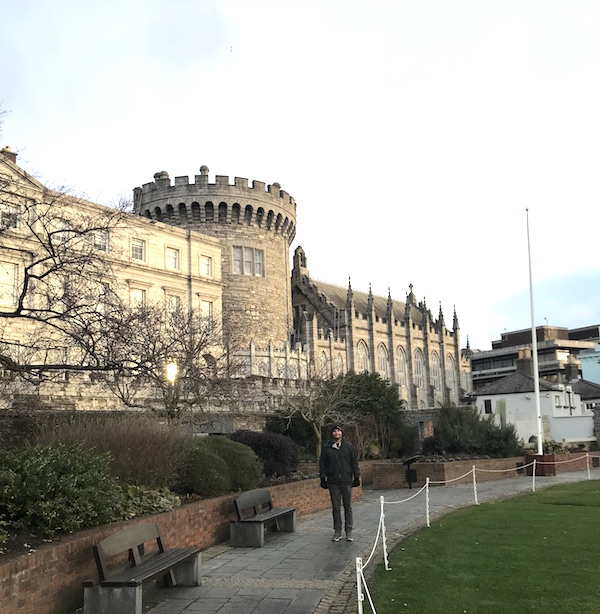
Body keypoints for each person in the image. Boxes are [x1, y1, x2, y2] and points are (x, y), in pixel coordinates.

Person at [319, 424, 360, 542]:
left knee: (348, 507)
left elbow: (354, 463)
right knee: (336, 508)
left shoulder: (348, 447)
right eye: (335, 431)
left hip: (346, 481)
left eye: (338, 431)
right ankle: (337, 531)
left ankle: (349, 531)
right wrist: (323, 478)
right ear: (332, 434)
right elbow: (322, 464)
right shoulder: (327, 448)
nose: (337, 433)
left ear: (342, 433)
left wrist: (356, 477)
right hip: (333, 482)